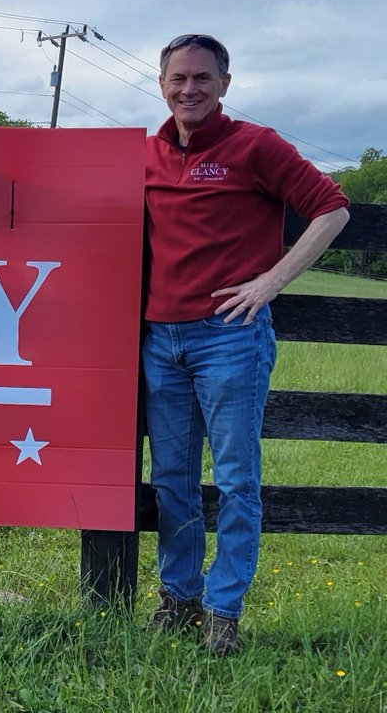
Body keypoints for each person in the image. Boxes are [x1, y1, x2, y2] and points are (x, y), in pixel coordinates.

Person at [143, 34, 350, 655]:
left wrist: (272, 280)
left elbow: (332, 208)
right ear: (162, 83)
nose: (190, 89)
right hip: (160, 340)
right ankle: (178, 599)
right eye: (178, 78)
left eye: (203, 78)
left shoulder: (255, 144)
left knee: (236, 479)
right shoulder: (146, 153)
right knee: (172, 478)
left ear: (225, 83)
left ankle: (223, 612)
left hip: (229, 339)